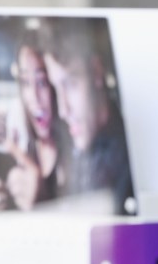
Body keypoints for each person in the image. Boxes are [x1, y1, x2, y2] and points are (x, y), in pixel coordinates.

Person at [42, 20, 134, 215]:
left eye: (70, 84)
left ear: (97, 71)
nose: (63, 110)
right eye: (56, 87)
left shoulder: (128, 159)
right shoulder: (68, 142)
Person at [0, 35, 70, 210]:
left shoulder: (74, 155)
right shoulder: (23, 147)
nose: (34, 97)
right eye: (25, 83)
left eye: (42, 82)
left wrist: (37, 204)